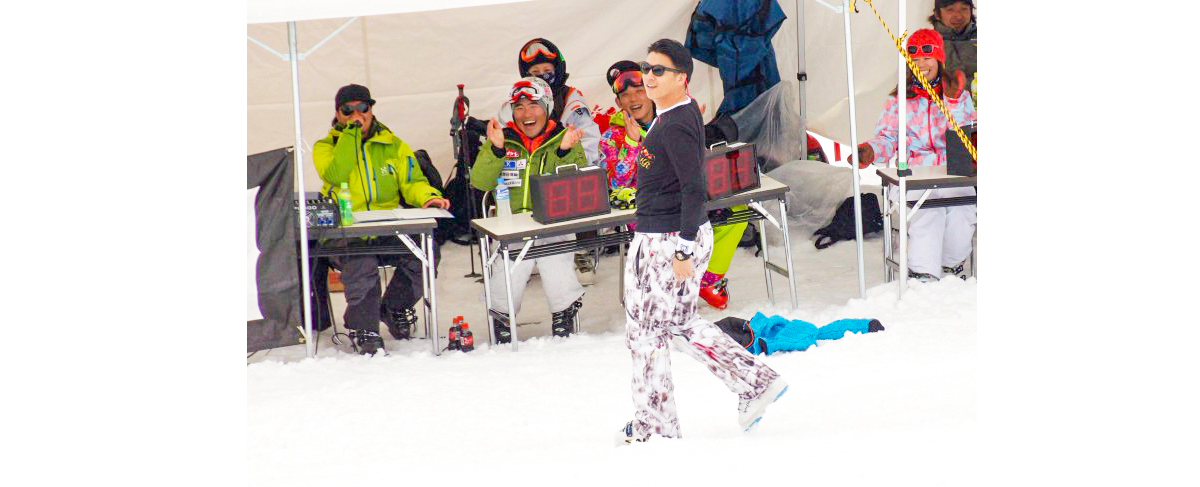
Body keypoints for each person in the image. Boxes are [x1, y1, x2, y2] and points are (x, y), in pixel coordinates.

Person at [616, 39, 788, 445]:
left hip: (667, 236)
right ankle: (755, 382)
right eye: (647, 68)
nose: (649, 77)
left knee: (646, 333)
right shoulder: (676, 113)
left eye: (659, 71)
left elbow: (695, 188)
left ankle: (655, 426)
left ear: (682, 78)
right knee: (676, 325)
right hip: (668, 233)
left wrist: (684, 247)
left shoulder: (675, 122)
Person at [312, 84, 451, 355]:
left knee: (424, 253)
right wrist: (350, 135)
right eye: (348, 110)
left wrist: (428, 196)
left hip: (386, 225)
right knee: (361, 261)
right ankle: (364, 327)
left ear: (372, 109)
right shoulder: (325, 147)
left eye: (363, 108)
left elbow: (413, 181)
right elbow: (336, 173)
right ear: (337, 114)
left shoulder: (393, 144)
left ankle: (394, 307)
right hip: (346, 230)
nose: (357, 114)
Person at [599, 60, 745, 310]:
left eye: (639, 90)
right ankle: (674, 287)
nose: (634, 99)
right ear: (618, 103)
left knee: (739, 212)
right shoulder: (611, 136)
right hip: (647, 210)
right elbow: (616, 182)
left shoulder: (674, 117)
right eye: (626, 95)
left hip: (683, 197)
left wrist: (696, 129)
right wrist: (633, 144)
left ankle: (706, 280)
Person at [851, 29, 977, 282]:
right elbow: (887, 138)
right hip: (914, 173)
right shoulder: (899, 101)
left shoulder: (959, 96)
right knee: (929, 211)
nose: (921, 64)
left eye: (927, 58)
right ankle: (924, 273)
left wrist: (952, 102)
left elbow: (967, 138)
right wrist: (871, 150)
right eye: (915, 59)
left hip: (951, 171)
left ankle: (951, 266)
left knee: (962, 208)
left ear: (939, 59)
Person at [471, 77, 587, 343]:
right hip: (512, 225)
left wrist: (565, 151)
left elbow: (579, 181)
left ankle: (564, 312)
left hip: (552, 222)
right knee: (508, 271)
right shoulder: (505, 139)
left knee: (555, 261)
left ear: (546, 107)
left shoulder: (563, 136)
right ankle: (501, 315)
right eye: (519, 107)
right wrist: (496, 150)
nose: (526, 114)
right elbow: (480, 181)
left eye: (533, 105)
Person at [518, 38, 604, 284]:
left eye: (548, 72)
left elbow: (590, 142)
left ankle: (582, 251)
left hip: (567, 169)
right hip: (533, 172)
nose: (543, 77)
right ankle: (521, 251)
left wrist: (567, 162)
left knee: (587, 177)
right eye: (535, 73)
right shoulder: (520, 99)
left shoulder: (571, 99)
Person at [928, 0, 976, 99]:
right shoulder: (926, 45)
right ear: (937, 14)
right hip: (940, 109)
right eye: (950, 10)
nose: (958, 16)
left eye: (964, 9)